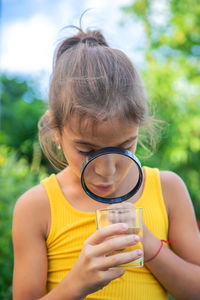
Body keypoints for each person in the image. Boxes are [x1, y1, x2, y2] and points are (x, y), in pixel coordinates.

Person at [12, 26, 200, 300]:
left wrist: (150, 247)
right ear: (56, 129)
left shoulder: (168, 189)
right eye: (87, 150)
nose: (107, 171)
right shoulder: (36, 207)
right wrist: (76, 284)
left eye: (125, 147)